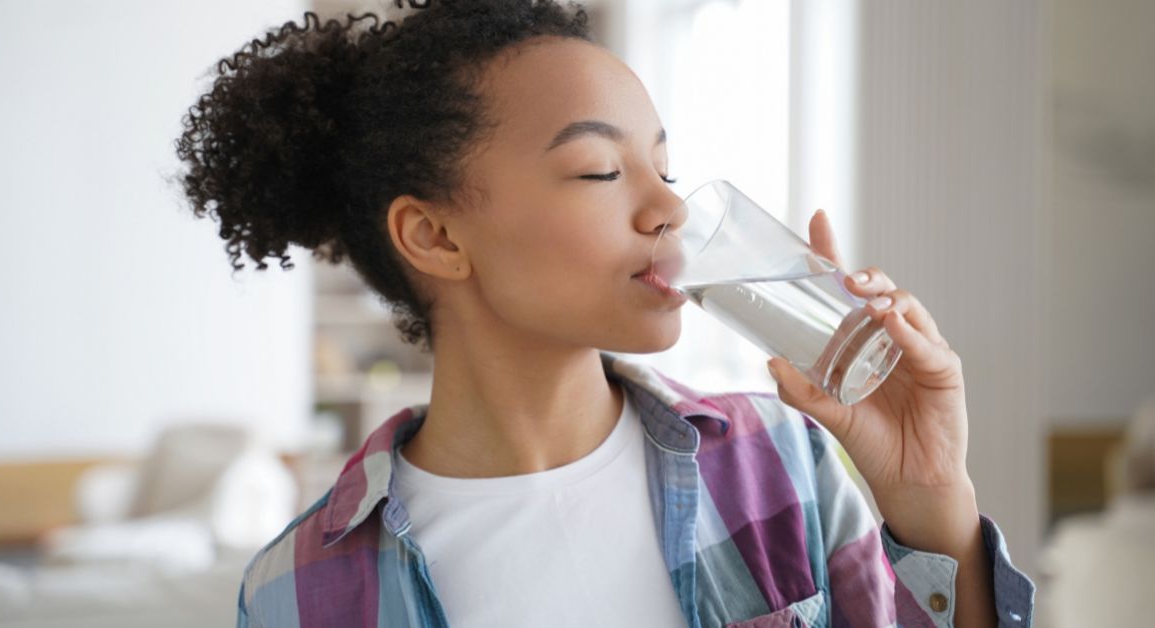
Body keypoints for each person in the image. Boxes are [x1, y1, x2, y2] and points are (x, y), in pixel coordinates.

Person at [174, 1, 1035, 626]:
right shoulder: (298, 588)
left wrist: (931, 503)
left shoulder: (781, 463)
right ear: (435, 236)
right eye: (598, 170)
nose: (670, 209)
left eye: (664, 167)